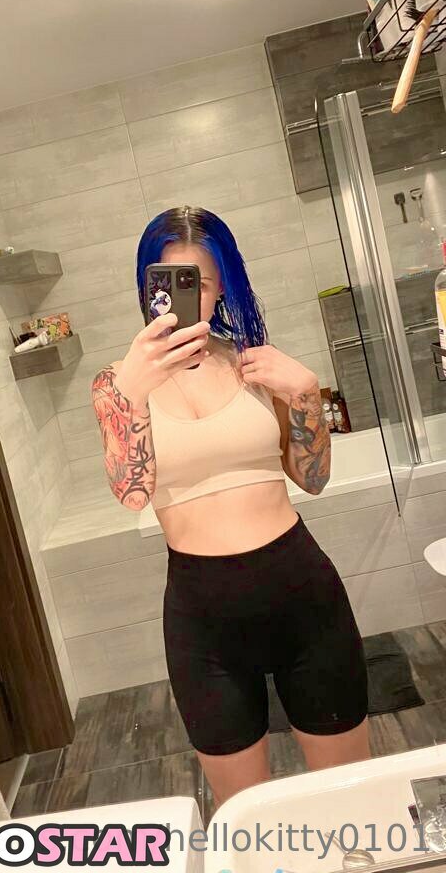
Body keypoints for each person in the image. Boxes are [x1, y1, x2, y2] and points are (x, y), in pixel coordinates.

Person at [91, 205, 370, 810]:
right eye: (168, 281)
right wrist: (132, 394)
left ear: (222, 288)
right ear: (147, 287)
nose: (184, 297)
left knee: (352, 798)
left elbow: (313, 478)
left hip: (303, 596)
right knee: (245, 817)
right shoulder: (117, 383)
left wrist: (305, 395)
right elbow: (132, 493)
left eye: (201, 281)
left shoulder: (254, 363)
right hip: (203, 619)